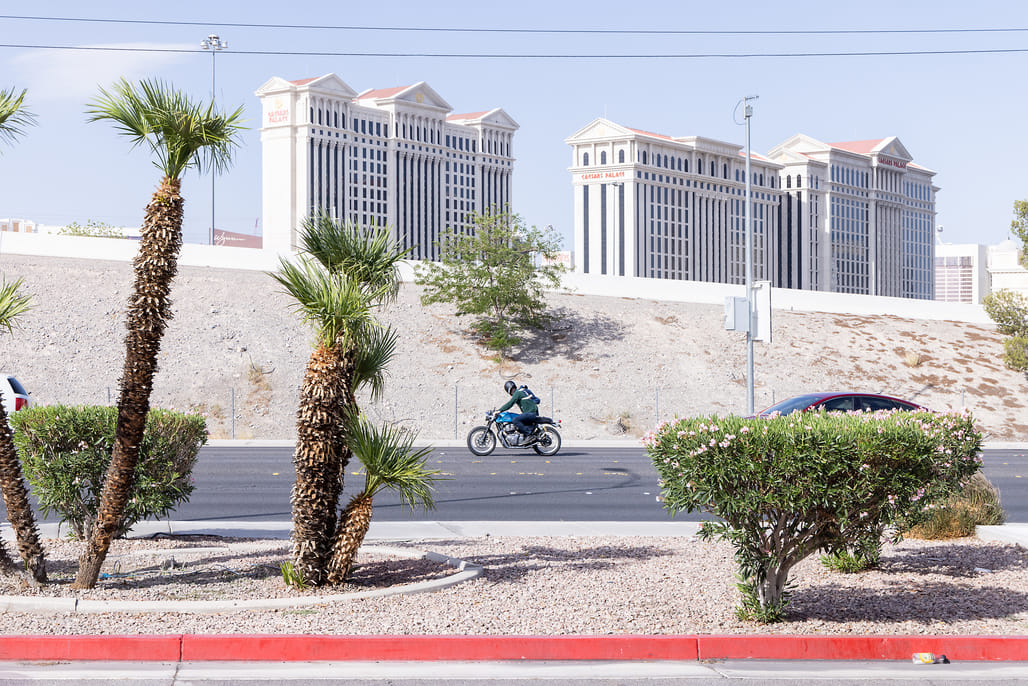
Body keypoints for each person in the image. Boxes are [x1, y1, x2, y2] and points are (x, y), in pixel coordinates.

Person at [497, 380, 539, 445]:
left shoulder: (517, 393)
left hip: (531, 413)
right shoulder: (519, 392)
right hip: (530, 413)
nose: (512, 391)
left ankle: (529, 435)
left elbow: (510, 403)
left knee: (515, 420)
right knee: (517, 421)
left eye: (511, 390)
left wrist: (499, 410)